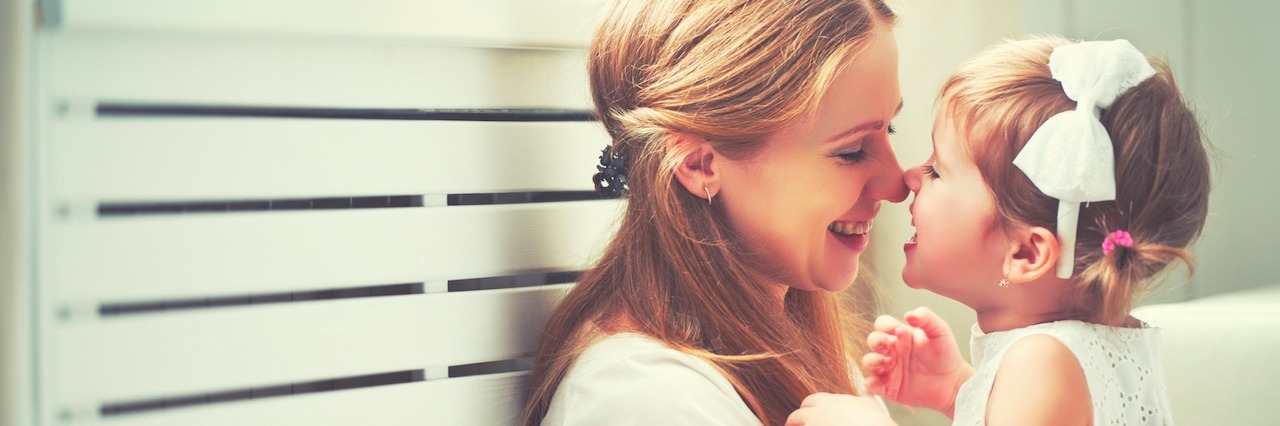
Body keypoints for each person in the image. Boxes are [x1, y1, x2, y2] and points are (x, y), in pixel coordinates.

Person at [520, 0, 910, 424]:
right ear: (698, 165)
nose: (898, 185)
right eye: (851, 151)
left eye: (888, 128)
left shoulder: (802, 358)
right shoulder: (646, 401)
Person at [788, 36, 1209, 425]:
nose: (911, 176)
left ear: (1025, 254)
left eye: (937, 170)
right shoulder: (1075, 353)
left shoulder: (1043, 363)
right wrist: (957, 389)